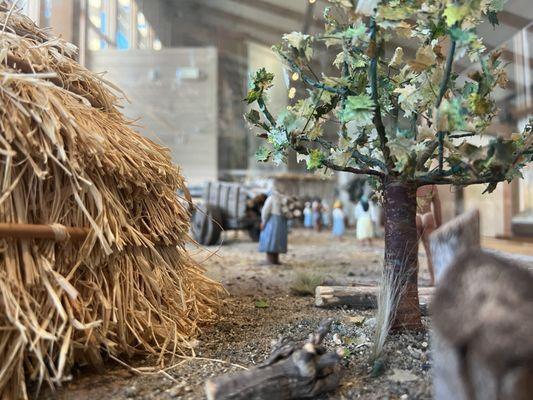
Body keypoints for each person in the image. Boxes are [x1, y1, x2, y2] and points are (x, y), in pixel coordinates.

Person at [416, 184, 442, 286]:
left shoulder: (411, 179)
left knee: (413, 252)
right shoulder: (431, 184)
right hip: (428, 216)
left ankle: (414, 281)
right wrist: (439, 225)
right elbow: (437, 205)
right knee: (430, 252)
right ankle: (434, 280)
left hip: (415, 216)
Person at [259, 185, 288, 265]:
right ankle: (276, 260)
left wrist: (263, 221)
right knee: (278, 241)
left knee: (270, 240)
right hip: (281, 223)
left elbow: (265, 211)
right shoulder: (283, 199)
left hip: (272, 222)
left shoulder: (271, 198)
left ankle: (270, 260)